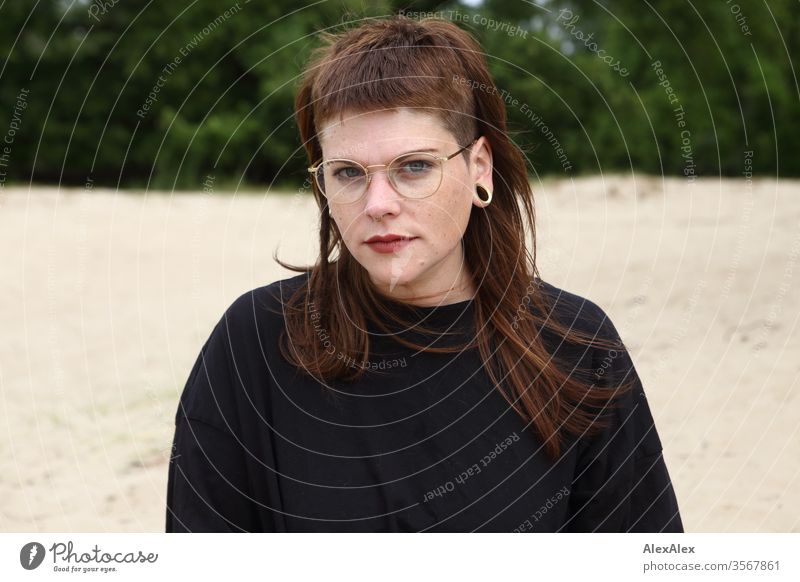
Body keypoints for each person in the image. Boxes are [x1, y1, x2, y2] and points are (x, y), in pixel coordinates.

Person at [165, 15, 683, 533]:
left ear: (479, 167)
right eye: (347, 173)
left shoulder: (576, 344)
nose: (378, 204)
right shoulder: (257, 340)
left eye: (414, 166)